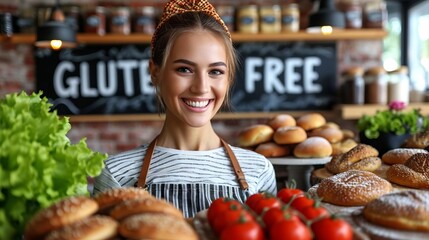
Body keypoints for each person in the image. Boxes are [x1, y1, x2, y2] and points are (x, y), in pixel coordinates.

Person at [93, 0, 277, 218]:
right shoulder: (116, 173)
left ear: (229, 78)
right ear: (155, 72)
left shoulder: (258, 170)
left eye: (215, 71)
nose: (201, 87)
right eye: (184, 69)